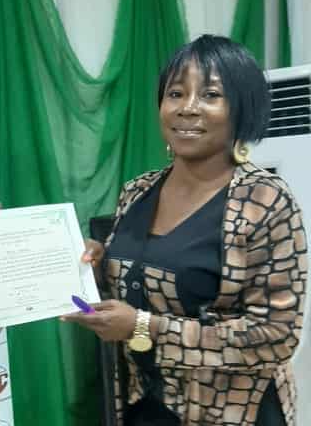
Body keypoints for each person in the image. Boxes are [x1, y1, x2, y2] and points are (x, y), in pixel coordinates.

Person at [63, 35, 307, 426]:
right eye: (175, 93)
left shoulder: (265, 199)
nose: (187, 108)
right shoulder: (137, 191)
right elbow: (136, 291)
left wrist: (146, 327)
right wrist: (96, 265)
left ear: (241, 109)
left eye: (210, 95)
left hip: (234, 413)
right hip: (147, 406)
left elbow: (275, 336)